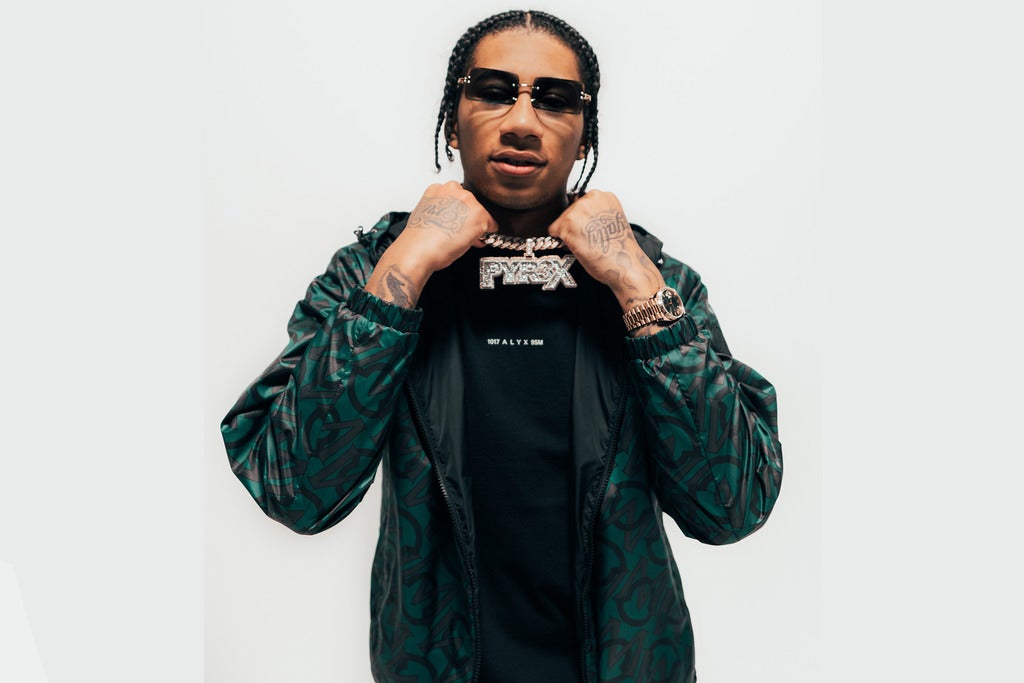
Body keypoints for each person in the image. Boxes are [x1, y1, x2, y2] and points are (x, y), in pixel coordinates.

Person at [221, 9, 783, 683]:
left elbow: (732, 506)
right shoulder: (372, 274)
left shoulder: (653, 281)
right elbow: (295, 489)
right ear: (451, 121)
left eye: (555, 99)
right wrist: (404, 270)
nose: (521, 121)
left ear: (585, 132)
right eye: (492, 91)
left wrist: (635, 284)